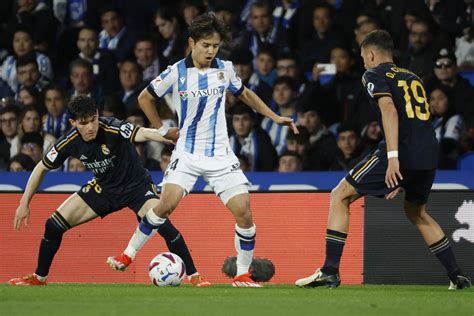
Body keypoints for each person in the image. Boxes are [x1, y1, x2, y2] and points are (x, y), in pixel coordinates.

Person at [107, 12, 297, 287]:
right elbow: (144, 98)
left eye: (216, 46)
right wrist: (161, 130)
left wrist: (275, 117)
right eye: (206, 45)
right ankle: (128, 254)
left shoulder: (225, 69)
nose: (211, 51)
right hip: (186, 152)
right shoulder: (176, 72)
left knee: (244, 211)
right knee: (165, 205)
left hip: (220, 154)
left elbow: (244, 93)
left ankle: (242, 273)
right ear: (191, 43)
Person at [295, 30, 471, 290]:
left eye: (364, 57)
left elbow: (388, 110)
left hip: (400, 149)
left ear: (371, 54)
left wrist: (393, 158)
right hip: (427, 153)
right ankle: (457, 277)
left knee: (340, 195)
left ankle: (329, 271)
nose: (364, 62)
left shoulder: (373, 74)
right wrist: (404, 172)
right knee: (417, 212)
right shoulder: (413, 77)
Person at [9, 95, 210, 287]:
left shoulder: (112, 127)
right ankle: (39, 277)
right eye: (83, 123)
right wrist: (24, 203)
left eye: (93, 120)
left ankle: (194, 276)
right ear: (72, 122)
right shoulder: (68, 142)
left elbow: (141, 132)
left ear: (97, 114)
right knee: (53, 226)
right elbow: (41, 167)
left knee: (164, 225)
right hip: (104, 189)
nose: (90, 127)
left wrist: (165, 136)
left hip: (136, 187)